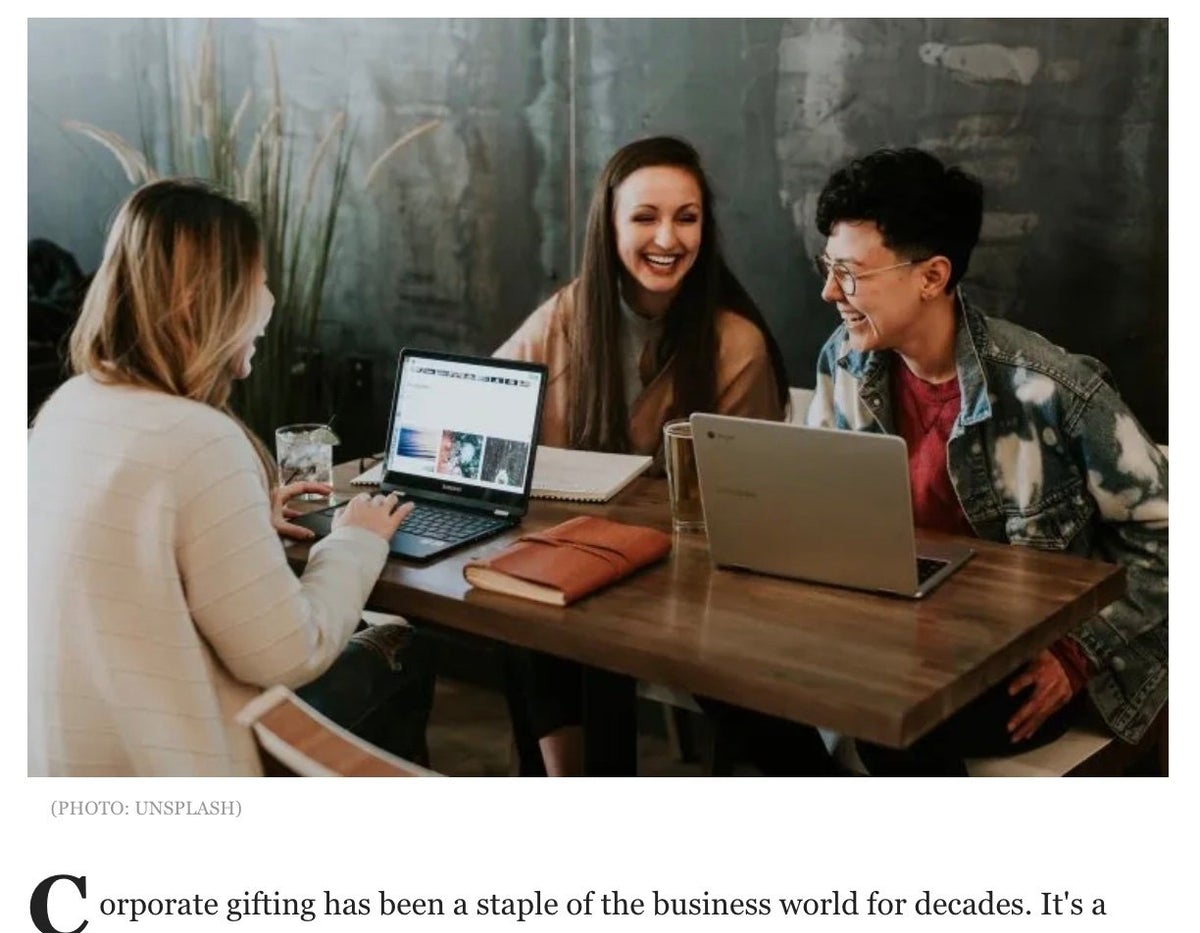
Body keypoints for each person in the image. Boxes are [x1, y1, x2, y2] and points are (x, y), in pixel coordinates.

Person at [29, 178, 431, 776]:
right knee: (403, 651)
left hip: (63, 759)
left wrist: (239, 518)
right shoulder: (199, 439)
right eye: (259, 279)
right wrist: (356, 540)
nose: (269, 300)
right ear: (209, 299)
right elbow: (289, 654)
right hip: (168, 772)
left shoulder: (68, 406)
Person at [806, 147, 1167, 775]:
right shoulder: (845, 360)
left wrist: (1079, 653)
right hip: (894, 636)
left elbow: (1168, 537)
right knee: (732, 682)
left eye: (851, 273)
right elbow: (822, 510)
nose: (829, 291)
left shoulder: (1051, 389)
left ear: (932, 276)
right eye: (829, 267)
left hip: (1020, 659)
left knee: (892, 719)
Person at [496, 135, 809, 776]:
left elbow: (750, 508)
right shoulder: (568, 315)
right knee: (517, 604)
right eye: (645, 217)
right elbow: (487, 402)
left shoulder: (734, 345)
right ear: (609, 225)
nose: (667, 239)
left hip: (690, 590)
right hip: (581, 570)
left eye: (686, 218)